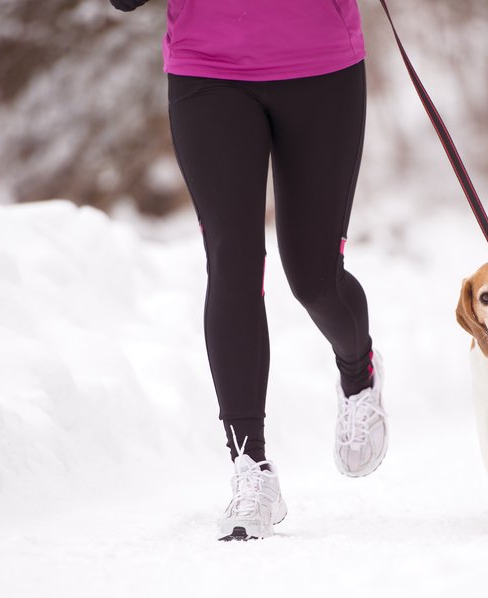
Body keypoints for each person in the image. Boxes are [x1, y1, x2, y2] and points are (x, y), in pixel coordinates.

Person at [110, 0, 389, 541]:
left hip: (321, 65)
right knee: (232, 262)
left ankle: (360, 373)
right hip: (207, 71)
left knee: (313, 277)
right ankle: (250, 467)